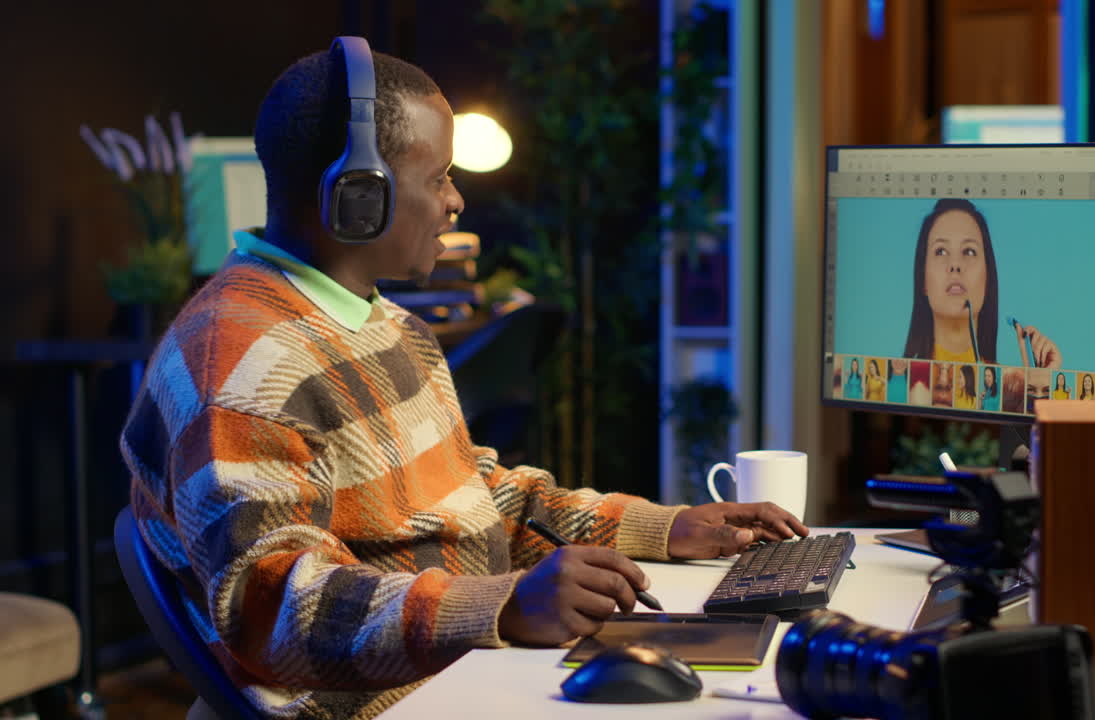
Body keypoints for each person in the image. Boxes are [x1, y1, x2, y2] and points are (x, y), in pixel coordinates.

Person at [119, 42, 806, 720]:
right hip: (389, 701)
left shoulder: (387, 324)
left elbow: (482, 495)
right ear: (359, 196)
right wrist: (505, 605)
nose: (455, 200)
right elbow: (275, 608)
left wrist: (669, 527)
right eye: (438, 176)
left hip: (469, 668)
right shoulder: (238, 366)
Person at [903, 199, 1061, 368]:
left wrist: (1039, 383)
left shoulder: (1006, 388)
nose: (955, 264)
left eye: (969, 251)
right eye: (940, 251)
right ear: (923, 280)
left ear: (988, 278)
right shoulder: (895, 384)